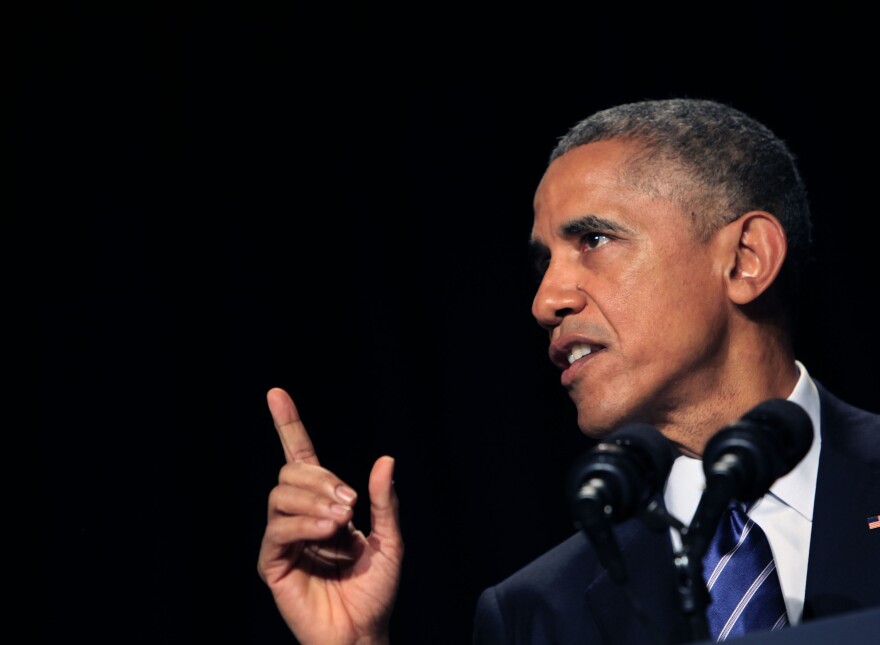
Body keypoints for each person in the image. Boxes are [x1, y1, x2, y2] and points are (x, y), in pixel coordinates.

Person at [256, 98, 880, 644]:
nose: (545, 300)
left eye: (594, 240)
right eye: (543, 262)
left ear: (745, 259)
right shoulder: (535, 613)